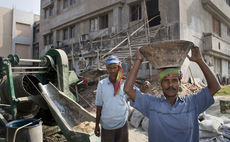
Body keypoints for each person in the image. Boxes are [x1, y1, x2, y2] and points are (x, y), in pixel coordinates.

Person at [124, 46, 221, 142]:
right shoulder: (151, 104)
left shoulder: (192, 103)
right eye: (166, 80)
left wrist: (200, 60)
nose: (170, 84)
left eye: (174, 80)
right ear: (161, 84)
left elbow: (215, 87)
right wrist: (138, 61)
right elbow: (128, 89)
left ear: (179, 83)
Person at [94, 55, 129, 142]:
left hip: (122, 125)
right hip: (107, 127)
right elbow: (99, 106)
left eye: (115, 67)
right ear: (107, 69)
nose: (112, 70)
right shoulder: (102, 84)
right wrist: (97, 125)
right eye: (110, 68)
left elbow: (134, 96)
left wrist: (143, 88)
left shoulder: (124, 83)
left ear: (119, 67)